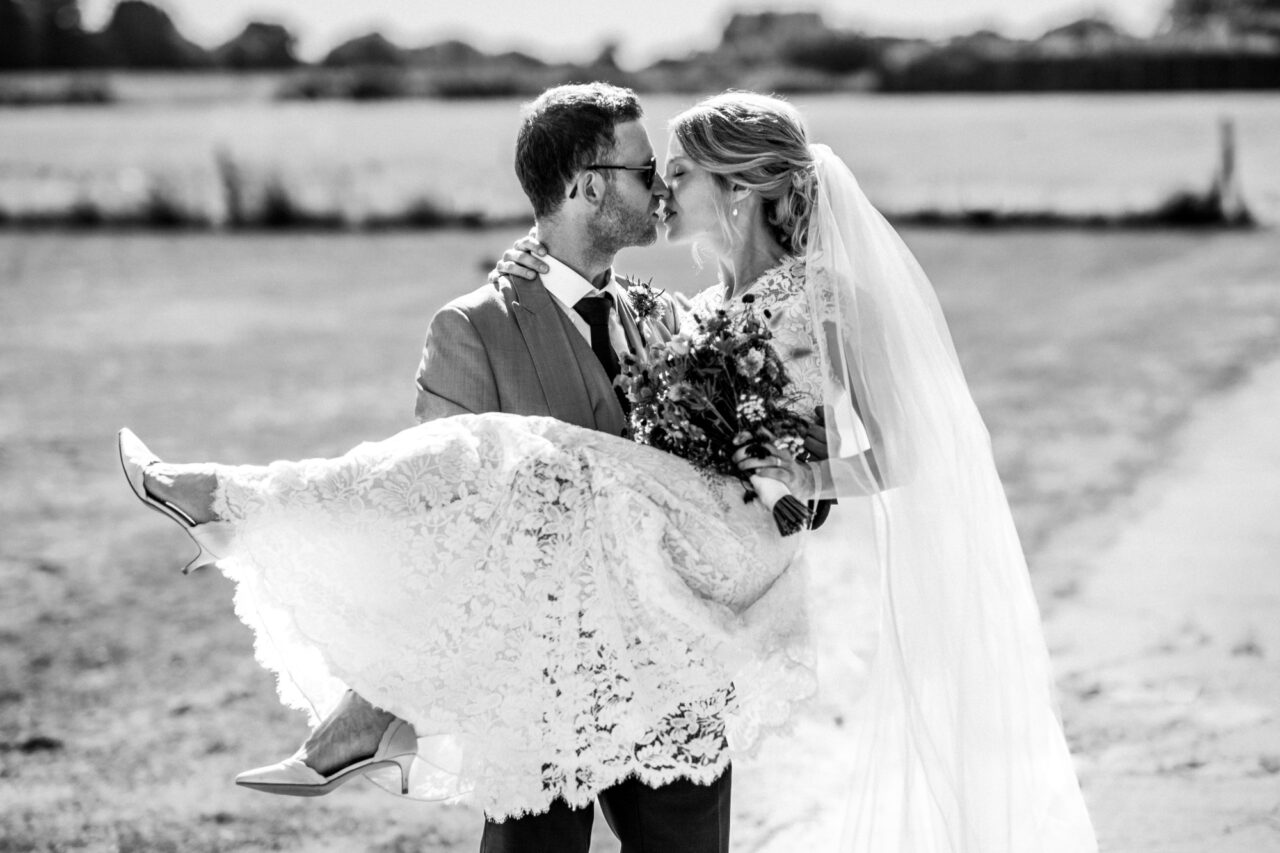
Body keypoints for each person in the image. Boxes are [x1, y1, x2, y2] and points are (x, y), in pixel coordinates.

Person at [118, 90, 1099, 852]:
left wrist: (796, 482)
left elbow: (849, 442)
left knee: (525, 455)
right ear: (588, 184)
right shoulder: (578, 314)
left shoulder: (764, 300)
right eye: (647, 169)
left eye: (674, 170)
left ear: (743, 185)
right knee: (495, 459)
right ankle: (306, 607)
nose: (664, 187)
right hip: (558, 660)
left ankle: (244, 522)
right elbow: (447, 515)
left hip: (696, 604)